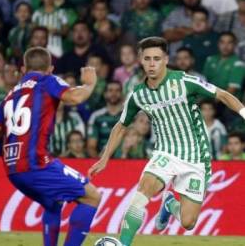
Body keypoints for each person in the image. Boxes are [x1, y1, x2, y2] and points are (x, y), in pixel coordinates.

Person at [88, 37, 245, 246]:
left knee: (189, 222)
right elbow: (121, 125)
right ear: (140, 61)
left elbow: (223, 95)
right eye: (147, 59)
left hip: (196, 156)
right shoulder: (138, 94)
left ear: (165, 59)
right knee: (143, 191)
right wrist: (105, 157)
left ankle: (170, 204)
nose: (152, 64)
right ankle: (123, 243)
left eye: (157, 59)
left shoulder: (183, 81)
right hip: (165, 152)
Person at [0, 47, 101, 246]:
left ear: (23, 69)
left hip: (13, 170)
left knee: (53, 204)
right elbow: (75, 97)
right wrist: (90, 84)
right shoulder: (47, 80)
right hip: (37, 164)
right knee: (92, 197)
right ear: (50, 68)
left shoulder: (9, 96)